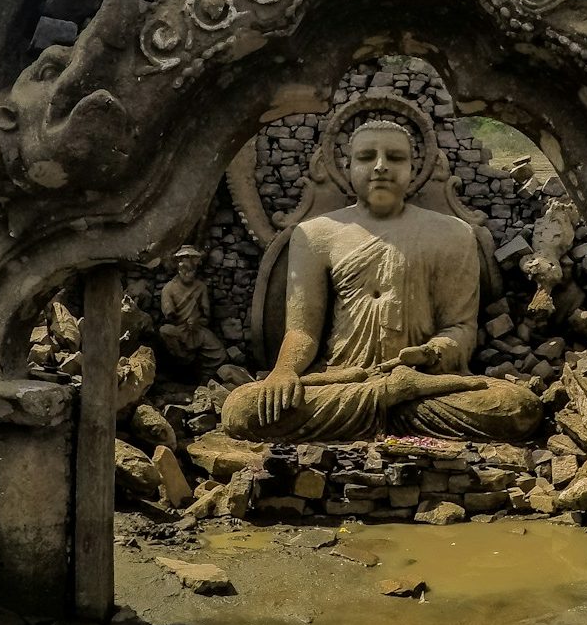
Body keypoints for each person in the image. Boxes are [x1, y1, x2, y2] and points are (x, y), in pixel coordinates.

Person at [221, 119, 543, 442]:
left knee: (518, 406)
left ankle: (395, 396)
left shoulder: (454, 234)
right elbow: (302, 331)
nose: (380, 167)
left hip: (425, 383)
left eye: (395, 157)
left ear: (414, 168)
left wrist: (431, 353)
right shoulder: (315, 234)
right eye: (366, 157)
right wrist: (284, 371)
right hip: (343, 380)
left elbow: (460, 329)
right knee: (241, 408)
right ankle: (392, 397)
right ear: (346, 167)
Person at [159, 244, 226, 374]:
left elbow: (206, 316)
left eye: (191, 270)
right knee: (165, 331)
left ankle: (207, 374)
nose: (187, 273)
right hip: (179, 330)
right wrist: (180, 321)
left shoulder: (200, 287)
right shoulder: (169, 288)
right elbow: (169, 316)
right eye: (184, 270)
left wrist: (197, 320)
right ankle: (181, 363)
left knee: (220, 354)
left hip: (197, 330)